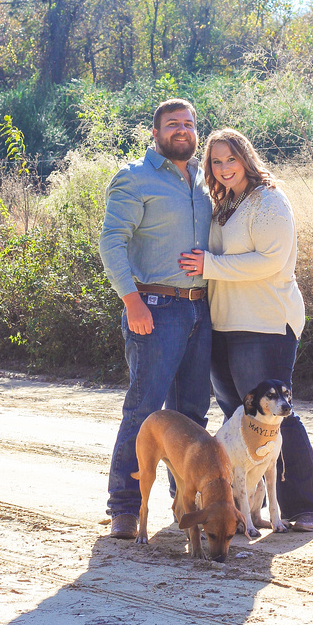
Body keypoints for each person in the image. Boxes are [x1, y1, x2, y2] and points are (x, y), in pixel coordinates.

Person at [179, 128, 313, 531]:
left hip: (264, 323)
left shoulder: (268, 201)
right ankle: (246, 508)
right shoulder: (223, 202)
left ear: (246, 157)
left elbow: (271, 261)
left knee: (276, 418)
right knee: (240, 420)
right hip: (224, 322)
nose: (224, 168)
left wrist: (209, 265)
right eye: (216, 162)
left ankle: (306, 506)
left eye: (231, 159)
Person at [99, 99, 213, 539]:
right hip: (155, 308)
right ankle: (125, 506)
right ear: (155, 133)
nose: (181, 130)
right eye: (172, 124)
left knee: (191, 414)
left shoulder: (204, 180)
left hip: (201, 309)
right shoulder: (134, 177)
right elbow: (112, 244)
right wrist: (132, 301)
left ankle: (184, 502)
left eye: (188, 123)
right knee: (144, 412)